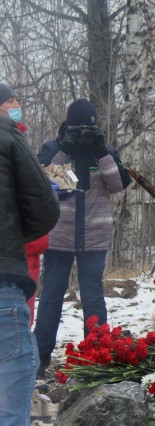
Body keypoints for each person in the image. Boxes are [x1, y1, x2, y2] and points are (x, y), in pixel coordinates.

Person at [34, 99, 131, 378]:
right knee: (51, 295)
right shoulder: (52, 148)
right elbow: (45, 184)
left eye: (88, 125)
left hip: (94, 236)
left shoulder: (105, 150)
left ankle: (95, 355)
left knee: (93, 296)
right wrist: (65, 148)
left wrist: (101, 151)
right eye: (78, 125)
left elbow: (117, 185)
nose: (83, 130)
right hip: (59, 236)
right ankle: (39, 360)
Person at [0, 108, 60, 424]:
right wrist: (11, 236)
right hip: (4, 284)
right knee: (9, 409)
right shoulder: (7, 133)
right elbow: (45, 209)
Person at [0, 83, 50, 326]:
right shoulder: (12, 142)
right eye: (10, 102)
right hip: (16, 249)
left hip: (22, 249)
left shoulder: (18, 138)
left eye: (16, 100)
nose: (16, 106)